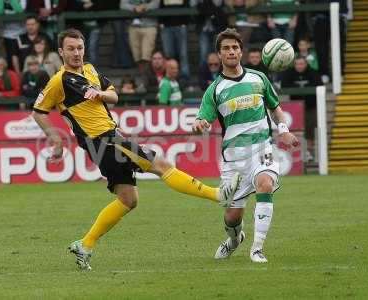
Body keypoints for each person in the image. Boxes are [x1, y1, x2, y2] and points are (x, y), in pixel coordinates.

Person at [32, 28, 241, 271]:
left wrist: (100, 94)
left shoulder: (89, 69)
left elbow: (114, 96)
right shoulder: (59, 81)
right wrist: (54, 138)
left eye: (79, 48)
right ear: (61, 51)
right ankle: (217, 195)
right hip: (103, 140)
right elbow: (38, 111)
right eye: (70, 49)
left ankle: (86, 245)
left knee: (128, 200)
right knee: (161, 164)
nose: (76, 53)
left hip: (109, 138)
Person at [192, 28, 299, 263]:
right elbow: (204, 118)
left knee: (265, 184)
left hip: (262, 149)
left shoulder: (259, 78)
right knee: (232, 216)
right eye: (226, 48)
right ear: (219, 54)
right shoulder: (215, 90)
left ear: (241, 51)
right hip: (234, 158)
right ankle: (234, 240)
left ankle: (257, 248)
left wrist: (284, 131)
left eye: (235, 47)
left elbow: (276, 109)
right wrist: (200, 124)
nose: (231, 51)